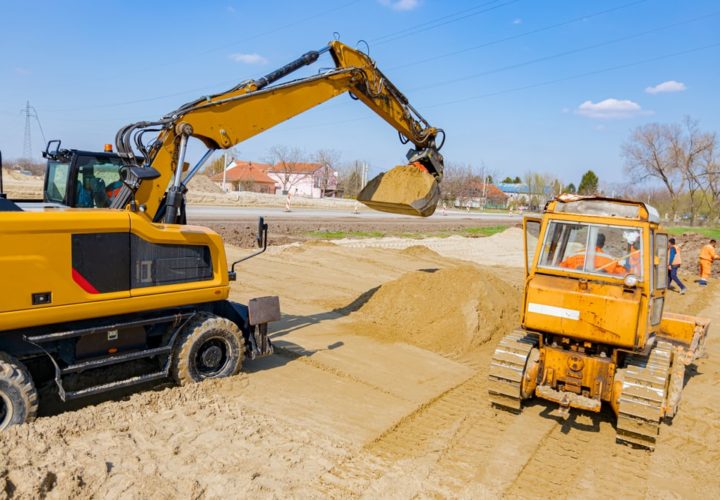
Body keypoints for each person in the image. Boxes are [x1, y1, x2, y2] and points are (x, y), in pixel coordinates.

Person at [560, 232, 626, 276]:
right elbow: (623, 274)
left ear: (589, 242)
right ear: (602, 244)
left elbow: (560, 268)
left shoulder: (574, 256)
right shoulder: (611, 261)